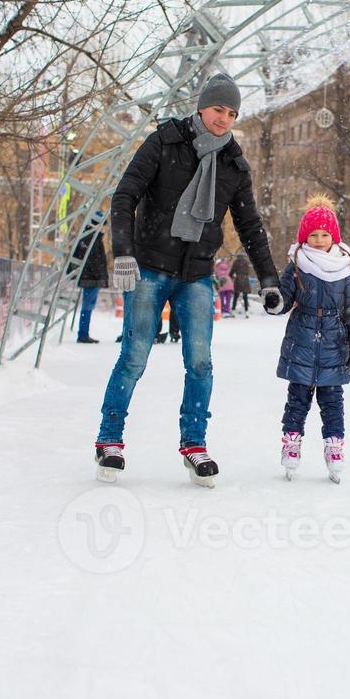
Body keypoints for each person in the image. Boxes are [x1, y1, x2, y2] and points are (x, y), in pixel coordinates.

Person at [94, 73, 282, 486]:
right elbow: (125, 194)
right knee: (134, 356)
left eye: (232, 113)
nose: (224, 119)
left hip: (196, 273)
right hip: (149, 267)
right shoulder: (165, 141)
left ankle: (194, 444)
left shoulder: (233, 163)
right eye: (219, 109)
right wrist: (123, 253)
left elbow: (250, 224)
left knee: (200, 362)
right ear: (202, 106)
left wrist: (269, 278)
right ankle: (109, 440)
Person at [269, 195, 350, 484]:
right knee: (297, 399)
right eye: (313, 234)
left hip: (335, 343)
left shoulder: (346, 268)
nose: (320, 239)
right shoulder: (297, 264)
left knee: (332, 401)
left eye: (325, 234)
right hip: (302, 339)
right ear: (305, 236)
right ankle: (292, 441)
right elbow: (284, 300)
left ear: (333, 236)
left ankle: (334, 446)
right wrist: (274, 299)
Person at [72, 210, 108, 344]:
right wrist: (100, 277)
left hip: (89, 277)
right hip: (92, 279)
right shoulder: (93, 238)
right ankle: (83, 334)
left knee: (87, 307)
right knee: (87, 307)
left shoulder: (88, 236)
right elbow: (96, 261)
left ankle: (83, 333)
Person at [231, 250, 251, 317]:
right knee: (245, 297)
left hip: (238, 280)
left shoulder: (236, 262)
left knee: (235, 296)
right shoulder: (246, 262)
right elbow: (248, 271)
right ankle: (246, 312)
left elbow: (231, 272)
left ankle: (233, 311)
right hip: (245, 280)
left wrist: (231, 276)